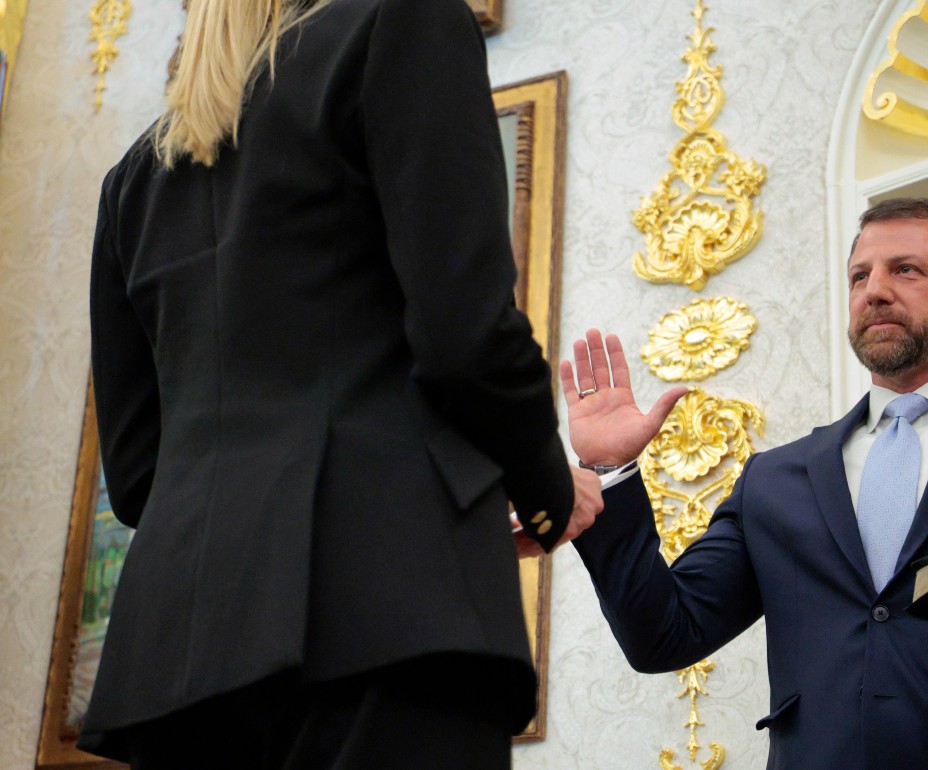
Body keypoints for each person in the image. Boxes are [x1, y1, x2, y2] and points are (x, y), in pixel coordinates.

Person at [78, 1, 602, 768]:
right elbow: (466, 339)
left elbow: (134, 478)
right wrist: (548, 489)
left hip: (179, 659)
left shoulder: (131, 183)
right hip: (385, 625)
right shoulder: (406, 22)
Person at [562, 198, 928, 769]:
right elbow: (664, 636)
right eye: (859, 277)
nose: (875, 291)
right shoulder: (774, 478)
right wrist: (610, 474)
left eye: (905, 270)